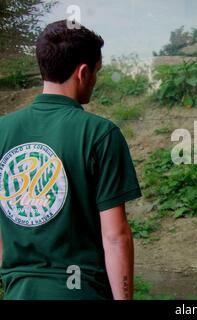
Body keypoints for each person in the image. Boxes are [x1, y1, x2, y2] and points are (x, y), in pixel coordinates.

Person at [0, 20, 141, 300]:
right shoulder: (101, 134)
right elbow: (115, 237)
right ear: (83, 72)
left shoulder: (2, 130)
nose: (95, 82)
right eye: (96, 73)